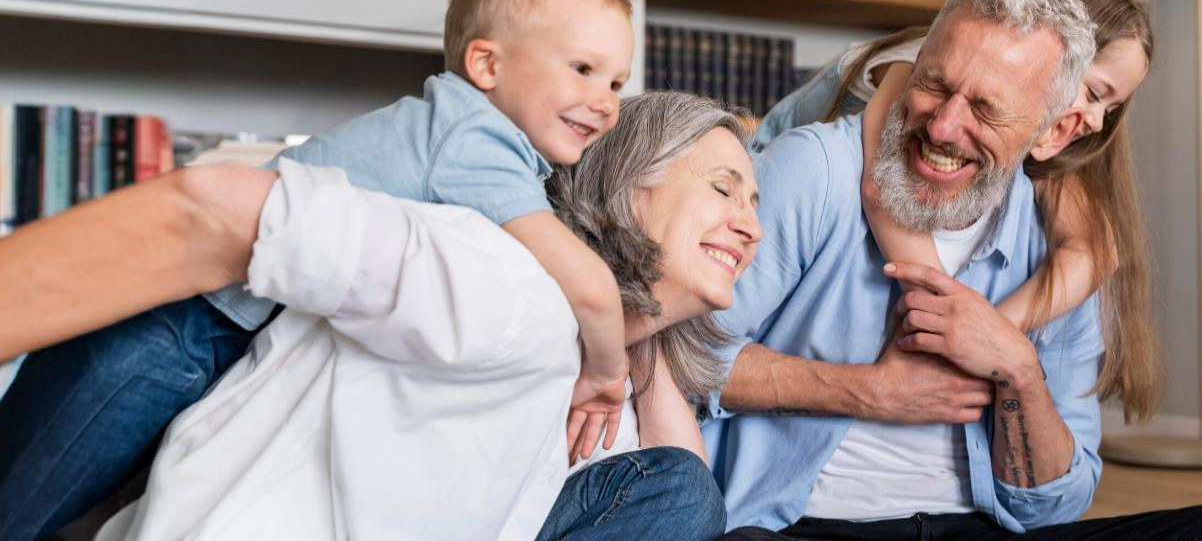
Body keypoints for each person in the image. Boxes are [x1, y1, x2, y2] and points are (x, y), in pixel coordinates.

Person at [702, 0, 1202, 539]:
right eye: (937, 85)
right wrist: (874, 393)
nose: (946, 123)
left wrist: (1015, 365)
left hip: (986, 527)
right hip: (812, 524)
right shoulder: (819, 166)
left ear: (1051, 127)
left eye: (991, 108)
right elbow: (680, 355)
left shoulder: (1064, 236)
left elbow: (1058, 504)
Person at [0, 0, 637, 538]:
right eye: (583, 70)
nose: (605, 103)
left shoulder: (483, 145)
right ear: (486, 65)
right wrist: (607, 377)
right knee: (28, 489)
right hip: (180, 324)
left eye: (616, 83)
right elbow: (587, 285)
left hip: (216, 324)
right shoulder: (476, 142)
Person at [0, 92, 761, 540]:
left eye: (755, 205)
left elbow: (680, 494)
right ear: (632, 189)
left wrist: (638, 335)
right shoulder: (490, 272)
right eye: (725, 189)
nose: (751, 226)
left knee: (681, 494)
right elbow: (211, 211)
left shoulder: (602, 382)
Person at [755, 0, 1161, 424]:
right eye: (1092, 92)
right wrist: (944, 334)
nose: (1095, 120)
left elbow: (1096, 250)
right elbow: (881, 190)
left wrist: (992, 332)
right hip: (755, 187)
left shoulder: (1038, 139)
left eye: (1111, 107)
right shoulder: (920, 66)